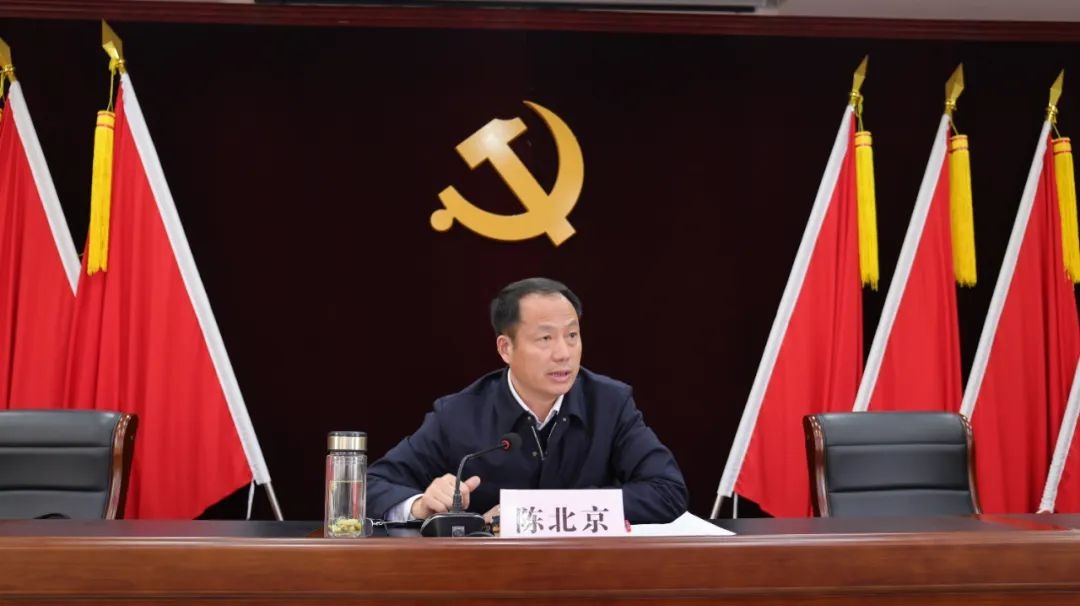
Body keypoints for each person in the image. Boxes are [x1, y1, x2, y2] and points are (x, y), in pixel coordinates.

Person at [367, 277, 688, 524]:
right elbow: (372, 485)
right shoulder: (459, 414)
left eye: (572, 335)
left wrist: (537, 511)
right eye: (545, 338)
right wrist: (421, 505)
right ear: (506, 348)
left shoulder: (609, 403)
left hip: (588, 572)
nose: (563, 353)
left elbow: (668, 491)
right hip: (488, 576)